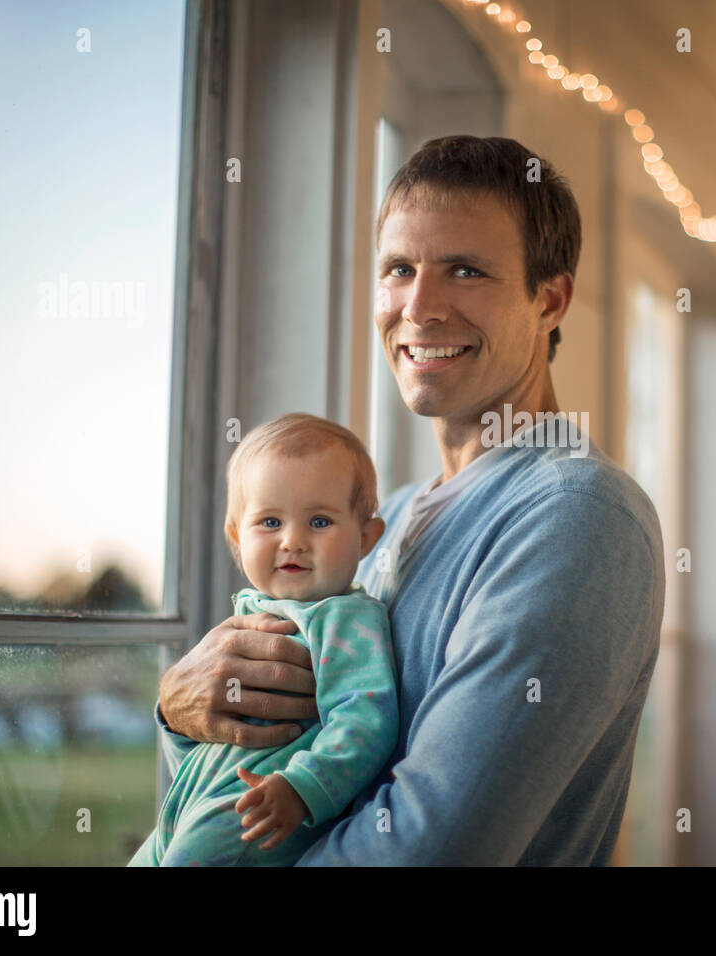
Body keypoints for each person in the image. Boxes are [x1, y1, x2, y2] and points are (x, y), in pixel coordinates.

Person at [154, 136, 664, 865]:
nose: (418, 308)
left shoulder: (577, 517)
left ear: (549, 299)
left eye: (465, 270)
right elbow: (242, 792)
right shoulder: (381, 520)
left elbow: (430, 847)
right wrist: (179, 711)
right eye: (399, 269)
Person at [130, 413, 396, 866]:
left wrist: (302, 787)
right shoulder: (251, 611)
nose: (292, 541)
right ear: (236, 536)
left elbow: (366, 718)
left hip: (263, 808)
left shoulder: (347, 618)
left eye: (319, 522)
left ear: (366, 538)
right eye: (270, 522)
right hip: (194, 797)